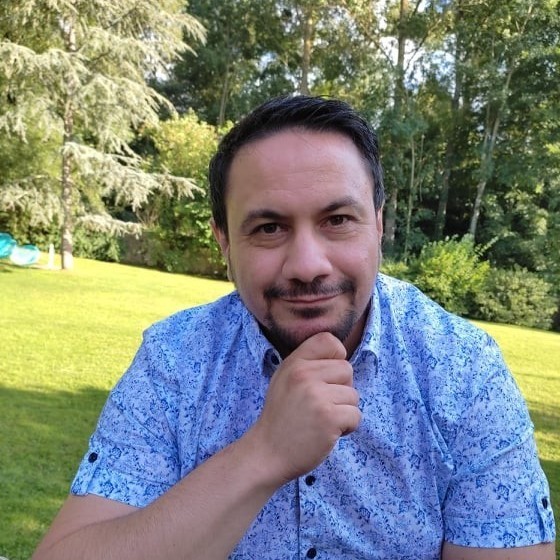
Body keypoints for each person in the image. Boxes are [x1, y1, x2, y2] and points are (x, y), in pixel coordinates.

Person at [33, 95, 555, 560]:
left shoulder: (463, 371)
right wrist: (262, 453)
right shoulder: (174, 361)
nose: (307, 265)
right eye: (269, 228)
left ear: (377, 223)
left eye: (337, 220)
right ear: (223, 241)